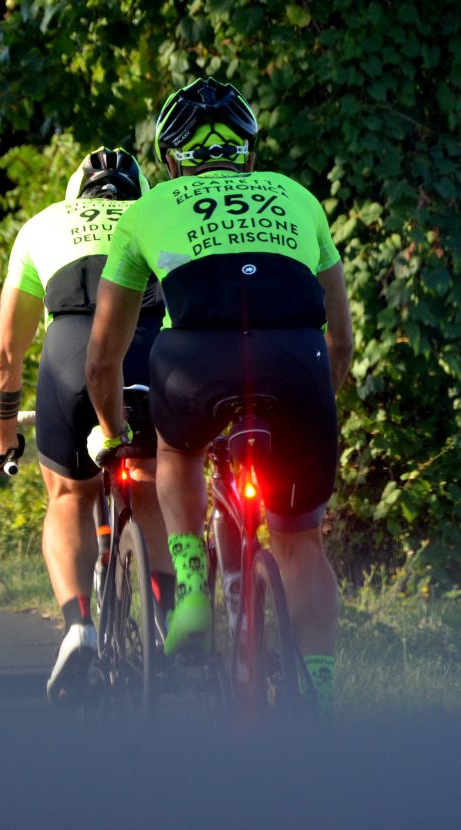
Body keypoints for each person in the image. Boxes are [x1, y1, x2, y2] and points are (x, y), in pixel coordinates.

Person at [85, 79, 353, 712]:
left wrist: (115, 430)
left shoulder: (145, 212)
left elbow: (103, 355)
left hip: (193, 366)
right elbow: (340, 338)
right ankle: (320, 695)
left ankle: (193, 590)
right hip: (298, 363)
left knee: (178, 454)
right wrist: (319, 405)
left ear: (172, 159)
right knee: (300, 539)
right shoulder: (298, 197)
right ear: (248, 152)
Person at [0, 147, 172, 706]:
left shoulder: (42, 226)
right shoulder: (158, 216)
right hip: (150, 353)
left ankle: (78, 627)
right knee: (155, 489)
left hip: (69, 355)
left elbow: (3, 359)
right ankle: (169, 622)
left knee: (68, 497)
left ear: (75, 195)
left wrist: (2, 444)